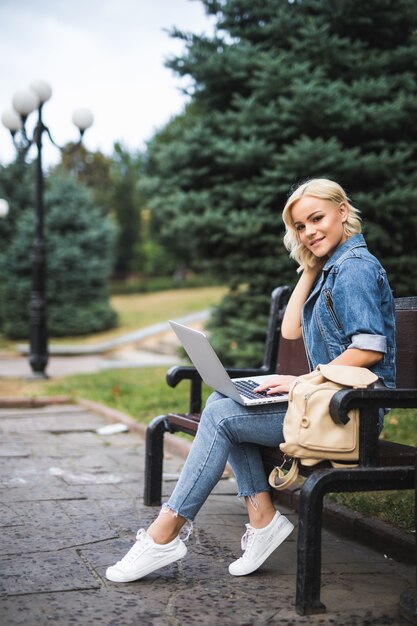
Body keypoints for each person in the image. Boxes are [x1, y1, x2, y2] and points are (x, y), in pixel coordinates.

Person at [106, 178, 396, 584]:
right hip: (326, 402)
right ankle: (262, 521)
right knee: (224, 403)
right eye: (300, 226)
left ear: (343, 212)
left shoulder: (355, 269)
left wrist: (301, 381)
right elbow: (292, 330)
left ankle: (165, 533)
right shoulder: (332, 269)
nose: (309, 231)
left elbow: (369, 349)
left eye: (317, 219)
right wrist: (309, 267)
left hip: (351, 413)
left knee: (223, 416)